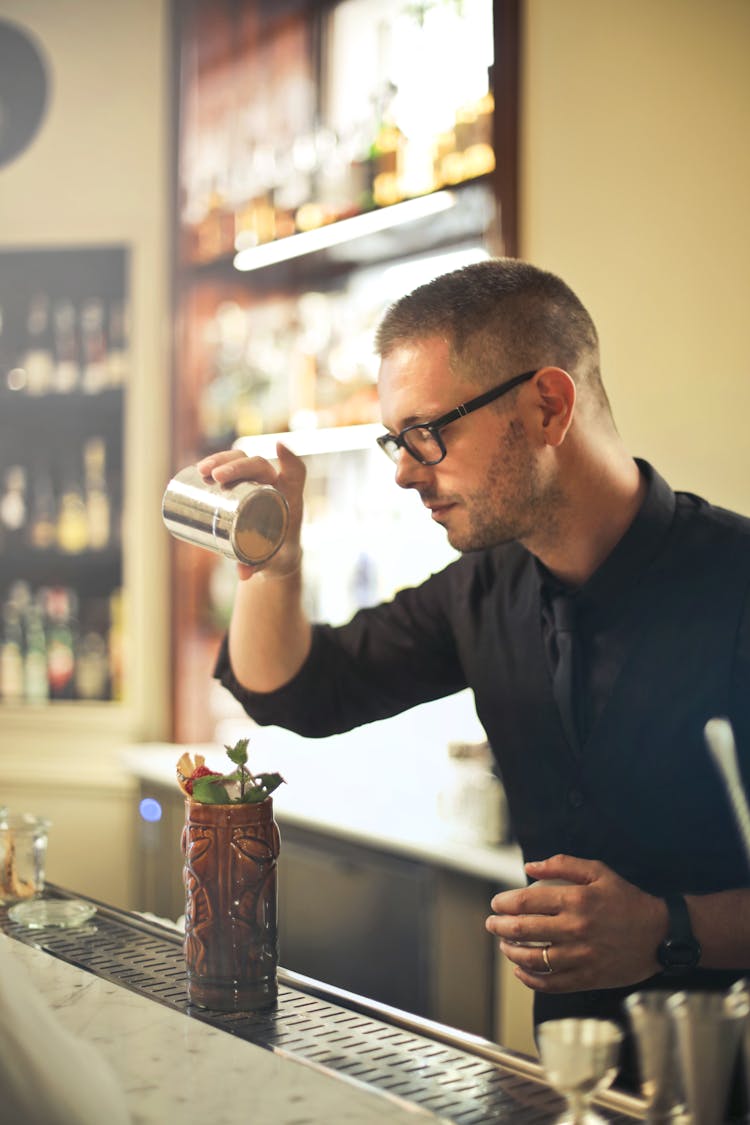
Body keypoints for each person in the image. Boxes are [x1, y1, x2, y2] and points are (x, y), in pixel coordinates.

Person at [201, 258, 750, 1090]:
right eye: (397, 438)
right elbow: (299, 691)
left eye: (428, 431)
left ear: (549, 406)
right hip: (571, 1083)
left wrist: (665, 926)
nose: (405, 470)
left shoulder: (735, 584)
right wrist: (275, 567)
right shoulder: (483, 589)